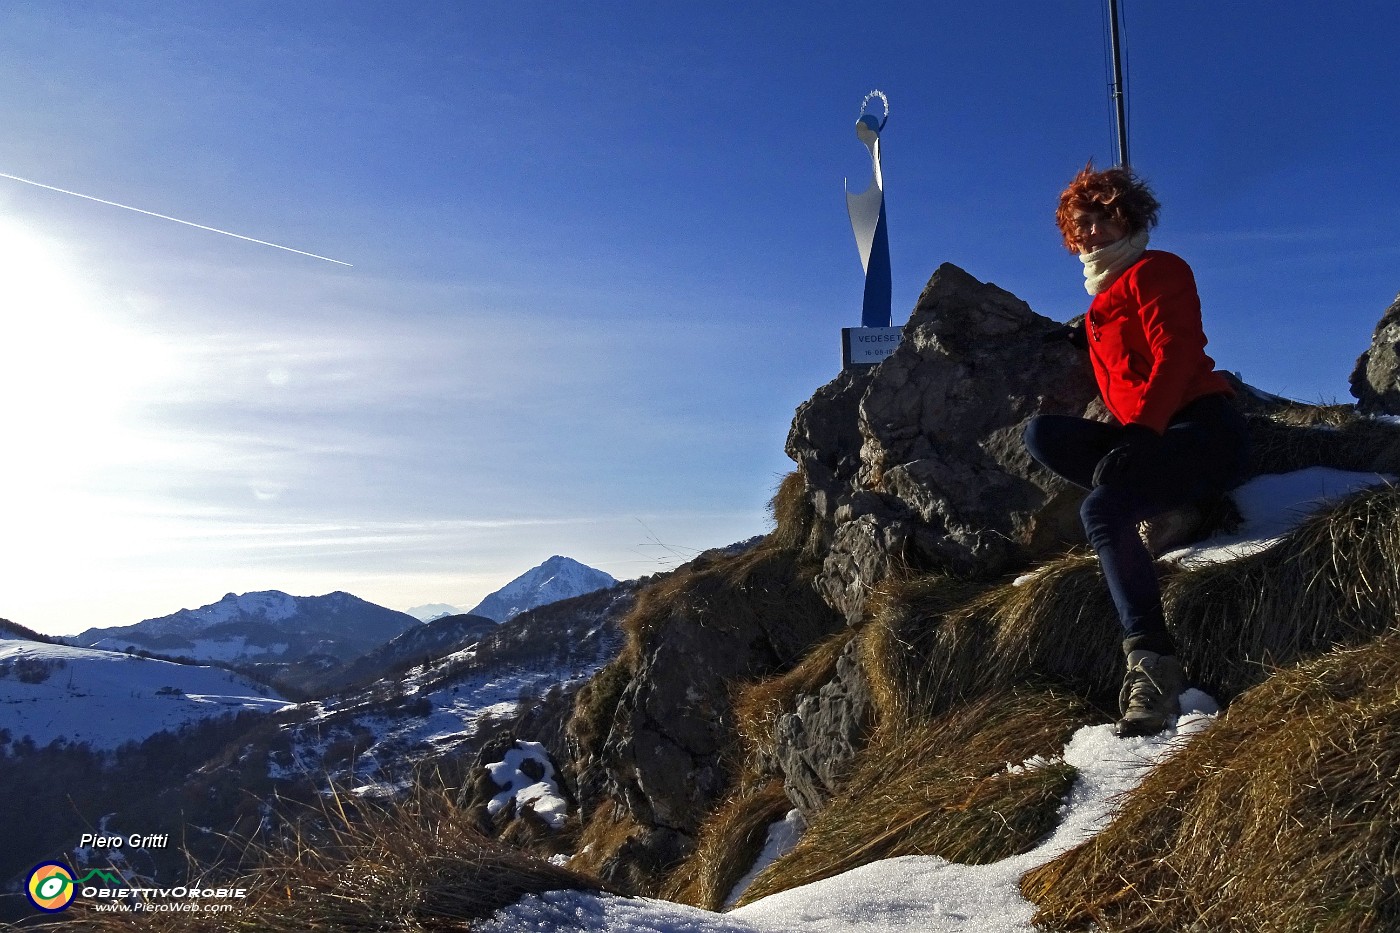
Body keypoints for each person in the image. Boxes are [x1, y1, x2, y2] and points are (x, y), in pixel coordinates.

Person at [1023, 164, 1250, 738]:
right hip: (1147, 437)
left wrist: (1144, 434)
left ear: (1129, 217)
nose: (1093, 231)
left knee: (1101, 509)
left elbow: (1175, 354)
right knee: (1043, 435)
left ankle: (1152, 666)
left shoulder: (1159, 269)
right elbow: (1123, 347)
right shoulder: (1101, 300)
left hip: (1199, 429)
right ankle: (1170, 507)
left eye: (1104, 217)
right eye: (1083, 223)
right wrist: (1084, 335)